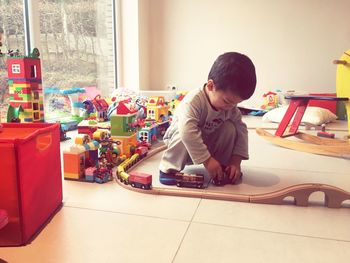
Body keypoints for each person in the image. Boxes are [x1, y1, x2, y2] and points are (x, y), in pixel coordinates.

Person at [159, 52, 256, 185]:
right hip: (183, 146)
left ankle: (222, 167)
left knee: (230, 128)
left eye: (235, 104)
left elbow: (242, 131)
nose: (230, 107)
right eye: (227, 101)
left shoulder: (230, 108)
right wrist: (207, 161)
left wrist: (235, 161)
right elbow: (187, 132)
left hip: (206, 144)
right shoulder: (194, 101)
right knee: (184, 133)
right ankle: (167, 170)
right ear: (211, 86)